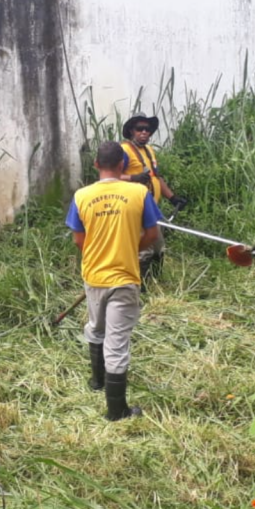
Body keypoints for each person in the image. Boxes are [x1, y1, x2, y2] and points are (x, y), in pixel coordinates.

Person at [65, 139, 163, 420]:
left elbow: (79, 240)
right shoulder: (138, 193)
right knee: (117, 342)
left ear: (96, 164)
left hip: (94, 276)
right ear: (122, 164)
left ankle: (97, 381)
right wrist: (130, 248)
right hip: (124, 277)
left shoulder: (81, 196)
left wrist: (100, 253)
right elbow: (152, 234)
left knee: (96, 328)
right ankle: (116, 410)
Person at [120, 114, 182, 281]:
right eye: (140, 129)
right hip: (135, 207)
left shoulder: (149, 150)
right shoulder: (124, 150)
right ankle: (140, 287)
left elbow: (156, 177)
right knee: (144, 249)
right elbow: (110, 176)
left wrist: (172, 197)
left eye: (147, 129)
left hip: (152, 209)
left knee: (158, 247)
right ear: (131, 131)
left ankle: (155, 282)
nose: (144, 132)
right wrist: (133, 178)